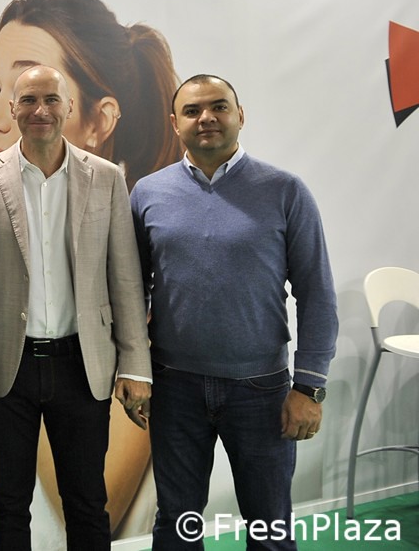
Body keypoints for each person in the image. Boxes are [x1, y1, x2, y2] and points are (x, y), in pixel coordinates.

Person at [0, 0, 179, 549]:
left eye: (51, 97)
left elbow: (126, 282)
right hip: (5, 366)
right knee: (7, 505)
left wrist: (135, 367)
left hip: (83, 365)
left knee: (86, 503)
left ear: (93, 116)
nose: (1, 117)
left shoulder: (107, 182)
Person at [130, 75, 338, 550]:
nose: (206, 118)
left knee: (269, 525)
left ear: (240, 115)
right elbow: (131, 290)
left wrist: (309, 386)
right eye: (192, 110)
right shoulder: (147, 192)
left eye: (219, 107)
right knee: (176, 523)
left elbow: (317, 294)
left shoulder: (285, 191)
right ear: (175, 123)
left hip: (261, 389)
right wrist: (134, 368)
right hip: (174, 387)